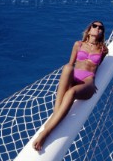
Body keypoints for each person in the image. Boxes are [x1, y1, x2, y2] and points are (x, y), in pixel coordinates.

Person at [33, 21, 108, 151]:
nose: (97, 28)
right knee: (67, 67)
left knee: (71, 92)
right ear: (89, 29)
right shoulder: (78, 44)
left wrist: (92, 84)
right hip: (74, 77)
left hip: (87, 81)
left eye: (100, 28)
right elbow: (71, 63)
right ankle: (56, 116)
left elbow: (97, 67)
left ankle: (46, 131)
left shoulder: (103, 49)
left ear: (102, 33)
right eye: (94, 26)